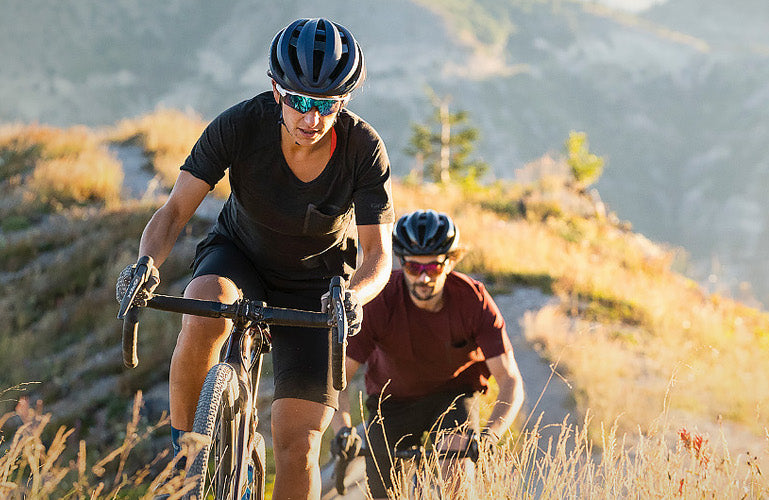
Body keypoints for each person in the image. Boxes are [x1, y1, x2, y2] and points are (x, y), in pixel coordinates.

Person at [114, 18, 393, 500]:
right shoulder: (241, 125)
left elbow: (379, 254)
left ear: (343, 102)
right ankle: (188, 458)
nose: (311, 118)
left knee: (298, 446)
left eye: (326, 105)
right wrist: (146, 266)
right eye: (299, 101)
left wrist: (354, 296)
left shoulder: (363, 149)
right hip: (240, 256)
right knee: (205, 300)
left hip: (318, 286)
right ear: (276, 90)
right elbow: (175, 210)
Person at [330, 210, 525, 499]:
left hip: (453, 396)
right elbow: (338, 379)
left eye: (433, 268)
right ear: (400, 262)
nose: (423, 278)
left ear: (450, 262)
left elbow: (510, 381)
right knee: (382, 489)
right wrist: (343, 430)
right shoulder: (380, 300)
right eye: (413, 267)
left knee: (457, 469)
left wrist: (489, 436)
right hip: (391, 401)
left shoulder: (473, 300)